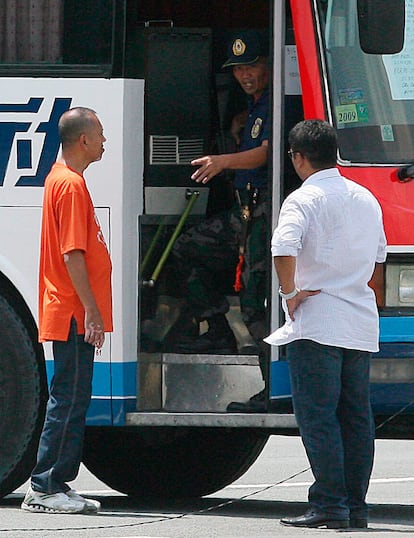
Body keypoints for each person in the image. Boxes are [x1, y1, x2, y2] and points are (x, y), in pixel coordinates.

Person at [264, 119, 386, 529]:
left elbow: (283, 248)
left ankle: (329, 504)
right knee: (356, 417)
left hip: (317, 322)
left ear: (297, 157)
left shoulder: (303, 198)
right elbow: (379, 263)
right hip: (360, 322)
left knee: (318, 416)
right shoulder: (366, 197)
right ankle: (356, 508)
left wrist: (289, 293)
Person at [21, 107, 112, 514]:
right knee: (69, 397)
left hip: (70, 309)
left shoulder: (61, 180)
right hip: (73, 311)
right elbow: (73, 253)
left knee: (74, 396)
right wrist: (92, 311)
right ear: (83, 140)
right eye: (101, 135)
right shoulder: (71, 185)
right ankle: (44, 485)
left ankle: (57, 481)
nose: (105, 141)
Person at [171, 31, 270, 396]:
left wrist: (221, 161)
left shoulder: (276, 103)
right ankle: (216, 329)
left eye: (252, 66)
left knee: (255, 303)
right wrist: (233, 132)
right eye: (239, 69)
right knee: (186, 250)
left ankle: (269, 387)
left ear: (269, 65)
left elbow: (267, 152)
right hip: (241, 215)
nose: (245, 75)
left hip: (262, 216)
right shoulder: (254, 106)